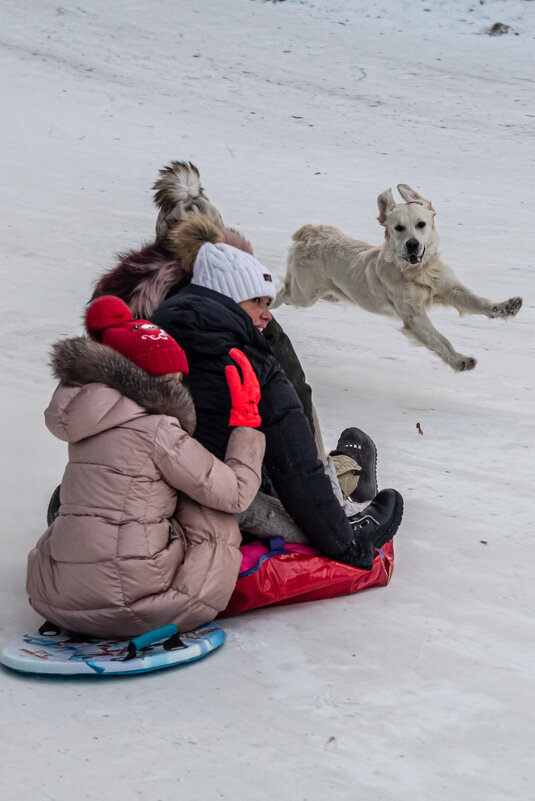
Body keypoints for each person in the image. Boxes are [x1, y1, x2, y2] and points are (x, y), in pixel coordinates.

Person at [150, 215, 404, 570]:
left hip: (146, 499)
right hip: (224, 501)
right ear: (229, 298)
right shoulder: (250, 362)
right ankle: (348, 482)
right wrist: (345, 544)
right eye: (258, 302)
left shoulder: (145, 337)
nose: (267, 315)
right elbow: (295, 465)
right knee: (291, 499)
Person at [26, 296, 265, 638]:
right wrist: (247, 426)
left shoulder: (86, 423)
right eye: (175, 376)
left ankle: (81, 591)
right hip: (134, 607)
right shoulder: (157, 430)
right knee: (212, 518)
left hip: (54, 595)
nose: (181, 385)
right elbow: (236, 495)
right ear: (151, 379)